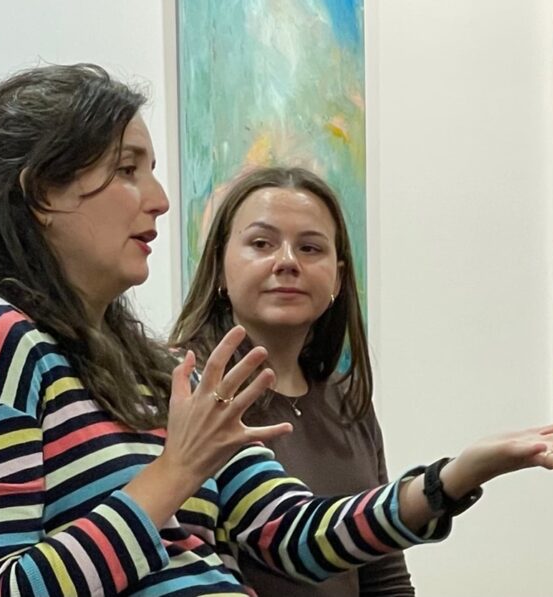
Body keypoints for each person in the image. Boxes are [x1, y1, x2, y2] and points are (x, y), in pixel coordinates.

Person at [0, 63, 553, 597]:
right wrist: (173, 475)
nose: (161, 198)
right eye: (128, 169)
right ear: (40, 193)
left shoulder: (144, 366)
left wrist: (462, 472)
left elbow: (299, 535)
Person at [171, 166, 405, 595]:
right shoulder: (184, 391)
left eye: (310, 248)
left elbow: (383, 574)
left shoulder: (348, 400)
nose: (287, 263)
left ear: (337, 275)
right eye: (261, 244)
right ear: (221, 265)